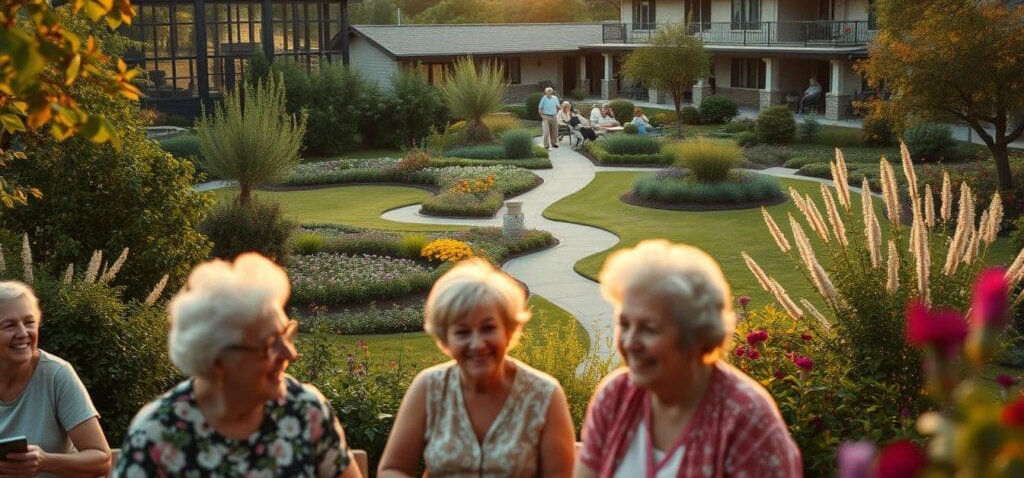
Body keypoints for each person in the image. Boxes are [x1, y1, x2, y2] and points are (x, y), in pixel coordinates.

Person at [114, 254, 361, 478]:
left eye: (286, 335)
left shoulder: (306, 411)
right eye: (271, 344)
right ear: (218, 360)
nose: (291, 353)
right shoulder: (156, 435)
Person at [575, 240, 802, 478]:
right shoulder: (615, 396)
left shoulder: (746, 420)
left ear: (697, 336)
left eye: (649, 329)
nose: (630, 342)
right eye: (624, 324)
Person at [378, 259, 576, 478]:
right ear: (445, 339)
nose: (477, 344)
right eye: (462, 332)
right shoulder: (429, 387)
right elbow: (393, 469)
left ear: (508, 330)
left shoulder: (544, 395)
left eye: (488, 328)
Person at [0, 281, 112, 478]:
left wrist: (45, 461)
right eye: (9, 325)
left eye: (29, 322)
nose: (23, 333)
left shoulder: (56, 374)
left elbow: (102, 459)